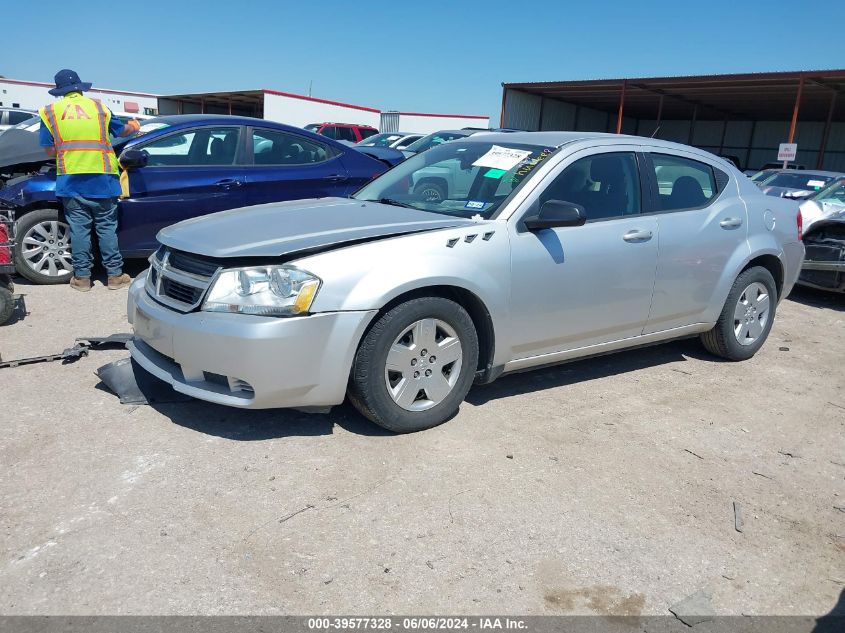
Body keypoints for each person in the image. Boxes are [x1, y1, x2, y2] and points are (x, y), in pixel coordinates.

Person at [39, 69, 140, 292]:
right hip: (103, 178)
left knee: (79, 231)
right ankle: (115, 276)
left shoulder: (49, 112)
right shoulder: (98, 107)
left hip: (71, 180)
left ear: (59, 91)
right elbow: (122, 131)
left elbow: (48, 150)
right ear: (80, 88)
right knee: (106, 229)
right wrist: (135, 126)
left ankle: (83, 279)